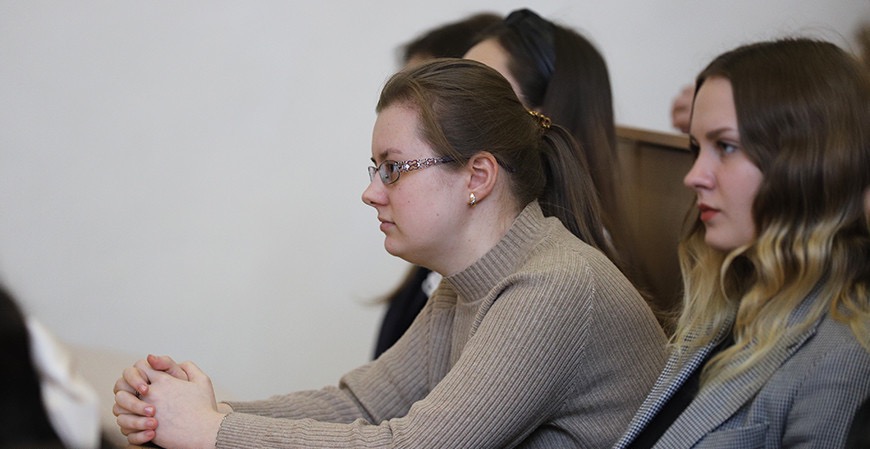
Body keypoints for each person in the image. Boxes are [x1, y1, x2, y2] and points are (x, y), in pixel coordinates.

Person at [112, 58, 667, 448]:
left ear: (477, 176)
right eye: (375, 169)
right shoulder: (466, 285)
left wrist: (212, 431)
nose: (371, 191)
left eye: (394, 168)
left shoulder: (555, 286)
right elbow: (362, 406)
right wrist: (190, 410)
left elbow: (413, 446)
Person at [612, 38, 870, 448]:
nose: (694, 176)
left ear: (808, 164)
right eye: (696, 148)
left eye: (726, 146)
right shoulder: (736, 299)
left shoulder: (842, 353)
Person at [374, 11, 502, 359]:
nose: (370, 194)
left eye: (395, 167)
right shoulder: (441, 282)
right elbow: (375, 389)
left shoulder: (546, 287)